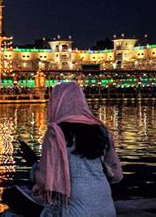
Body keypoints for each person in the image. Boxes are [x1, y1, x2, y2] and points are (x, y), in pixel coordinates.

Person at [32, 82, 123, 216]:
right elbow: (117, 175)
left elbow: (44, 179)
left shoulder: (56, 133)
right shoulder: (101, 131)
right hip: (106, 208)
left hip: (76, 211)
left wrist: (34, 171)